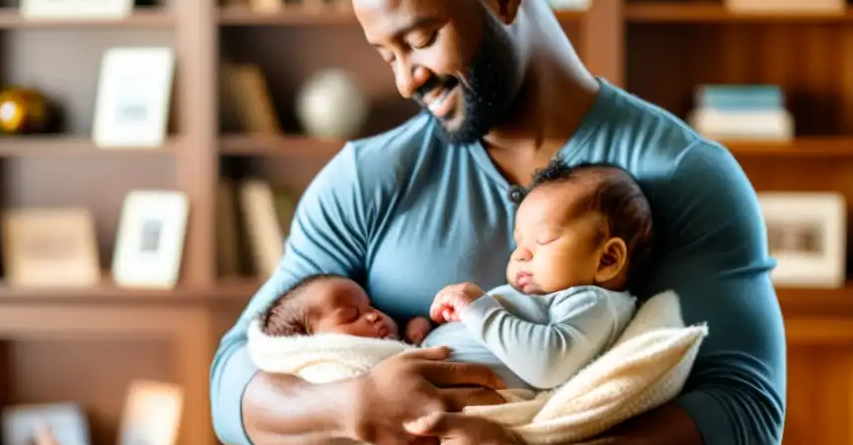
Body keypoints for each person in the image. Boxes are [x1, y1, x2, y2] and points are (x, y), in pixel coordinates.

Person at [210, 0, 786, 445]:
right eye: (386, 54)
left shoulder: (679, 174)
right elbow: (235, 385)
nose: (404, 79)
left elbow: (748, 419)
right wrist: (353, 404)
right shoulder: (367, 179)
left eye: (420, 38)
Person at [256, 159, 651, 391]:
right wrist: (422, 336)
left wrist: (478, 309)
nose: (521, 256)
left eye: (542, 241)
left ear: (607, 260)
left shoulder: (594, 303)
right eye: (518, 244)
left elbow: (548, 363)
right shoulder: (554, 299)